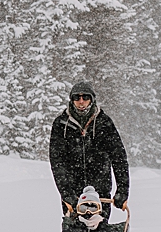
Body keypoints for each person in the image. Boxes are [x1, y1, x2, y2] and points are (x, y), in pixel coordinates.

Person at [49, 80, 129, 216]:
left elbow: (119, 158)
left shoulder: (104, 123)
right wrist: (66, 194)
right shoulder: (61, 124)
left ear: (92, 100)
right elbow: (57, 162)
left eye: (85, 97)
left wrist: (122, 191)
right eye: (77, 97)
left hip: (100, 192)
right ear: (71, 100)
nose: (81, 101)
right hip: (73, 195)